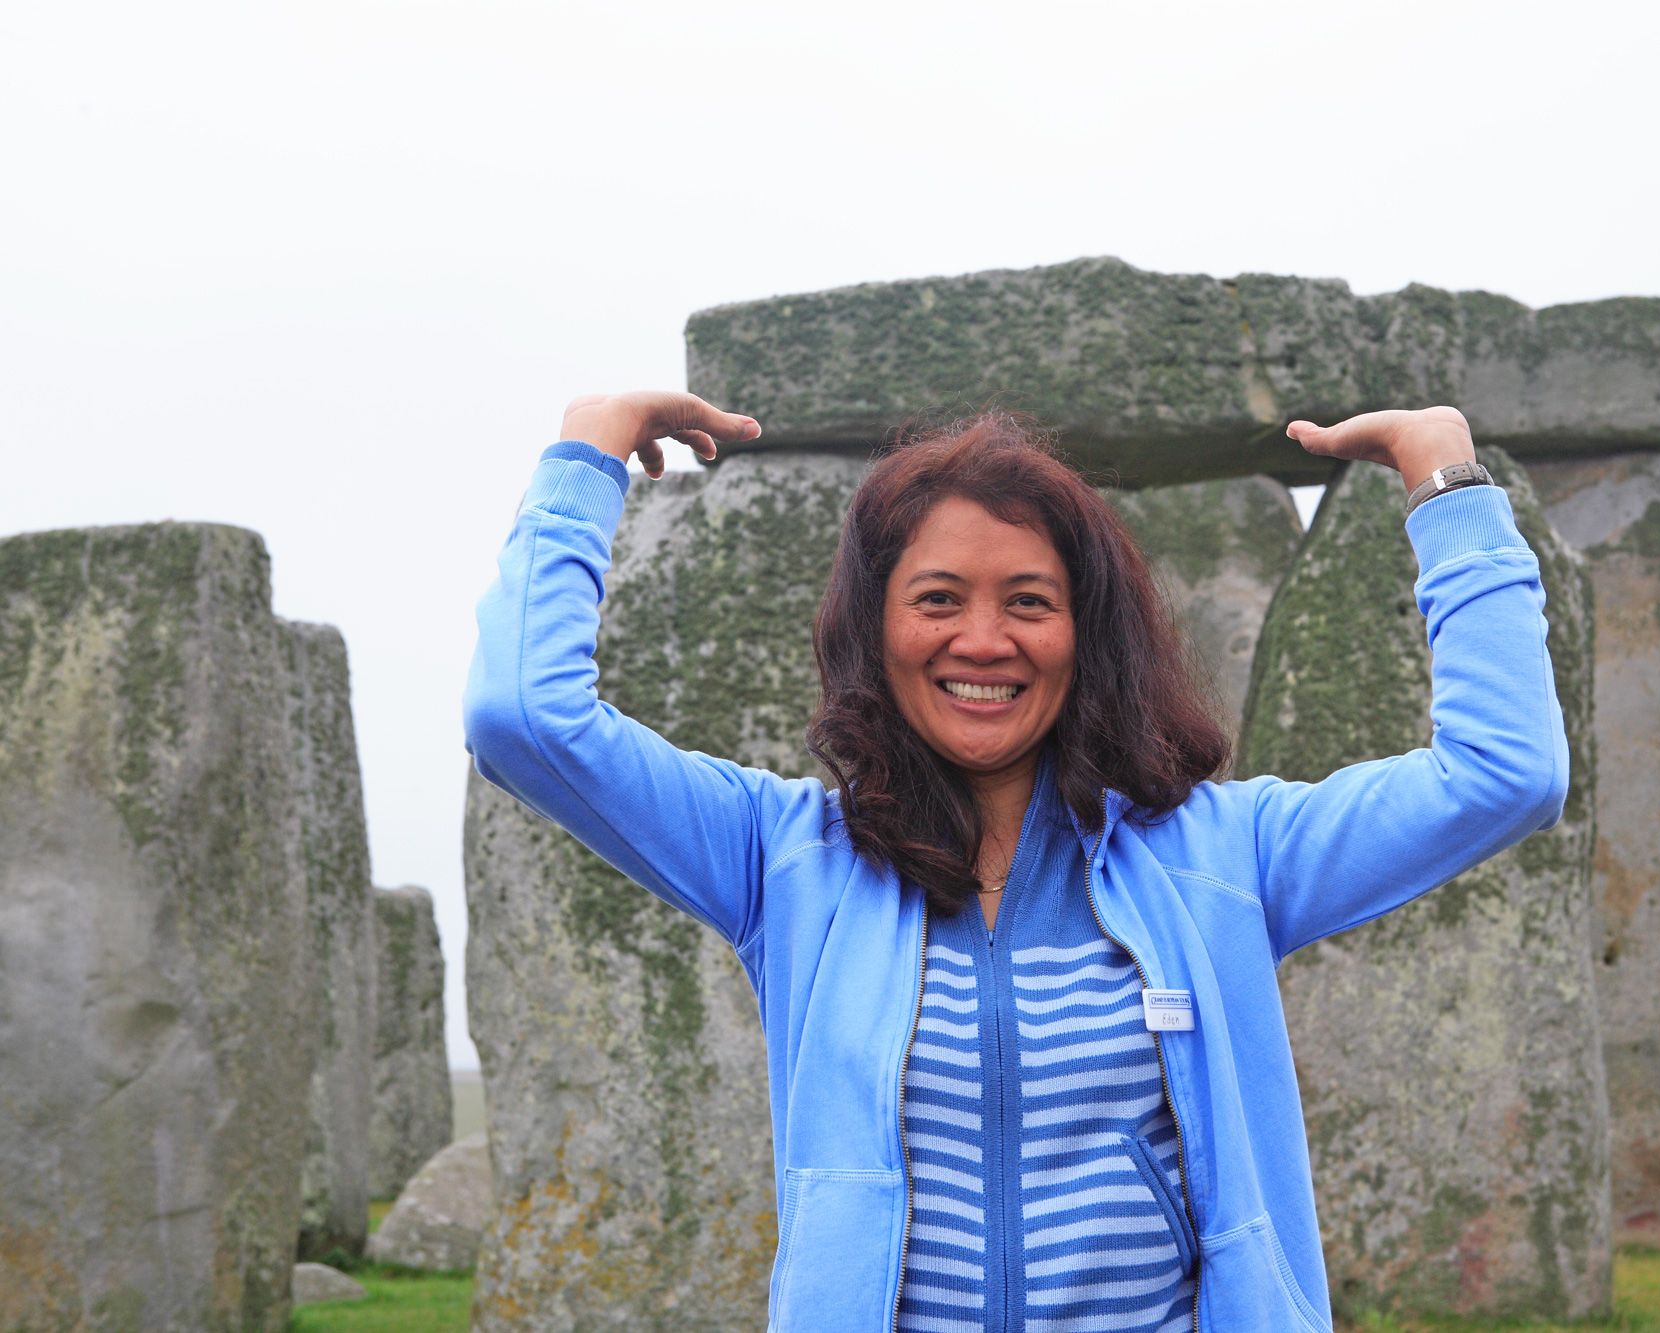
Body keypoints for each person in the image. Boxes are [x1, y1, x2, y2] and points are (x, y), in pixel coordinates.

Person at [464, 391, 1567, 1333]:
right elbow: (521, 717)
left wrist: (1444, 477)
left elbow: (1503, 774)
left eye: (1027, 602)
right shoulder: (782, 858)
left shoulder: (1220, 853)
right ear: (875, 626)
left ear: (1086, 633)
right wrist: (587, 451)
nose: (982, 640)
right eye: (937, 598)